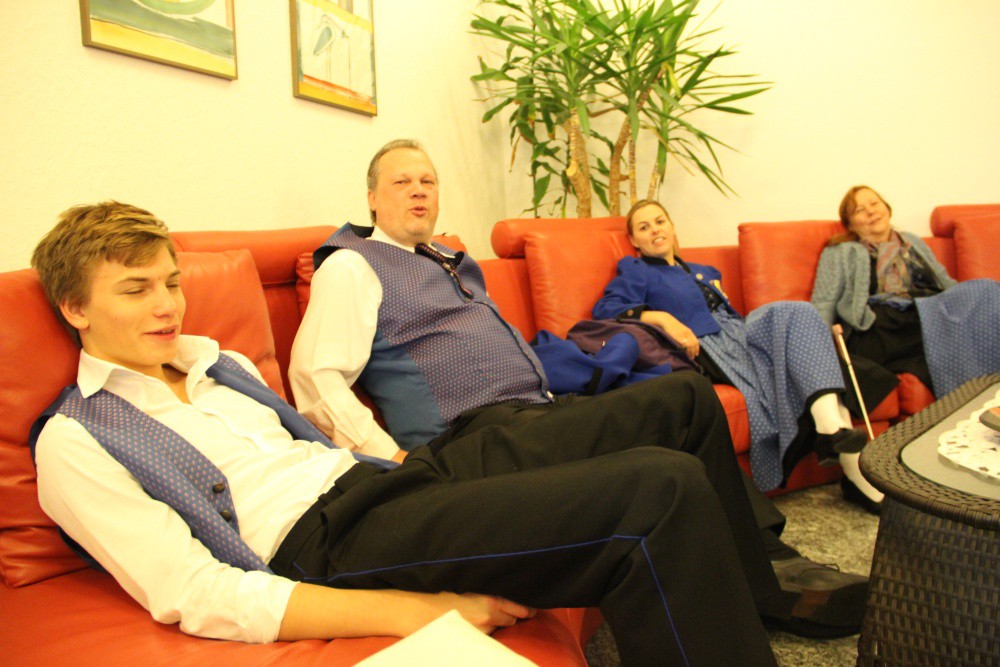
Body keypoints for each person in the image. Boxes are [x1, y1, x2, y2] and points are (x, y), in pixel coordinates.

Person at [29, 201, 780, 666]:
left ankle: (757, 595)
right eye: (136, 289)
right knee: (657, 489)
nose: (167, 306)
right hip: (326, 542)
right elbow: (195, 591)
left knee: (678, 400)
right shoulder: (77, 438)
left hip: (388, 478)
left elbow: (313, 444)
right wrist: (418, 608)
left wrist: (396, 460)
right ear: (75, 307)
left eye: (171, 282)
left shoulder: (216, 362)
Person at [289, 138, 869, 639]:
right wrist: (393, 462)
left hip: (534, 419)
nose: (418, 190)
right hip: (470, 440)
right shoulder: (354, 264)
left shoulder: (448, 260)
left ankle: (766, 563)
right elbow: (314, 377)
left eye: (428, 181)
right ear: (372, 197)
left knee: (682, 400)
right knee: (684, 400)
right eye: (401, 182)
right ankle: (766, 581)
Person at [591, 199, 870, 505]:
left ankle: (832, 431)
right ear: (634, 241)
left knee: (801, 312)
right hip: (709, 342)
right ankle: (847, 458)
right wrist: (663, 318)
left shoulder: (703, 270)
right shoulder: (637, 269)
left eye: (660, 221)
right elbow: (607, 308)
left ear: (671, 226)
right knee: (804, 361)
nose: (655, 230)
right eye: (644, 227)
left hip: (739, 330)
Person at [811, 186, 1000, 506]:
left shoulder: (912, 241)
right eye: (859, 210)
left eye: (874, 203)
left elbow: (946, 285)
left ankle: (986, 404)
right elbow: (824, 300)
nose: (871, 211)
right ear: (850, 224)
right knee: (981, 293)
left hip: (924, 316)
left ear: (887, 207)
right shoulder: (841, 251)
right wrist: (823, 336)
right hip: (879, 323)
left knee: (985, 292)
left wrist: (967, 310)